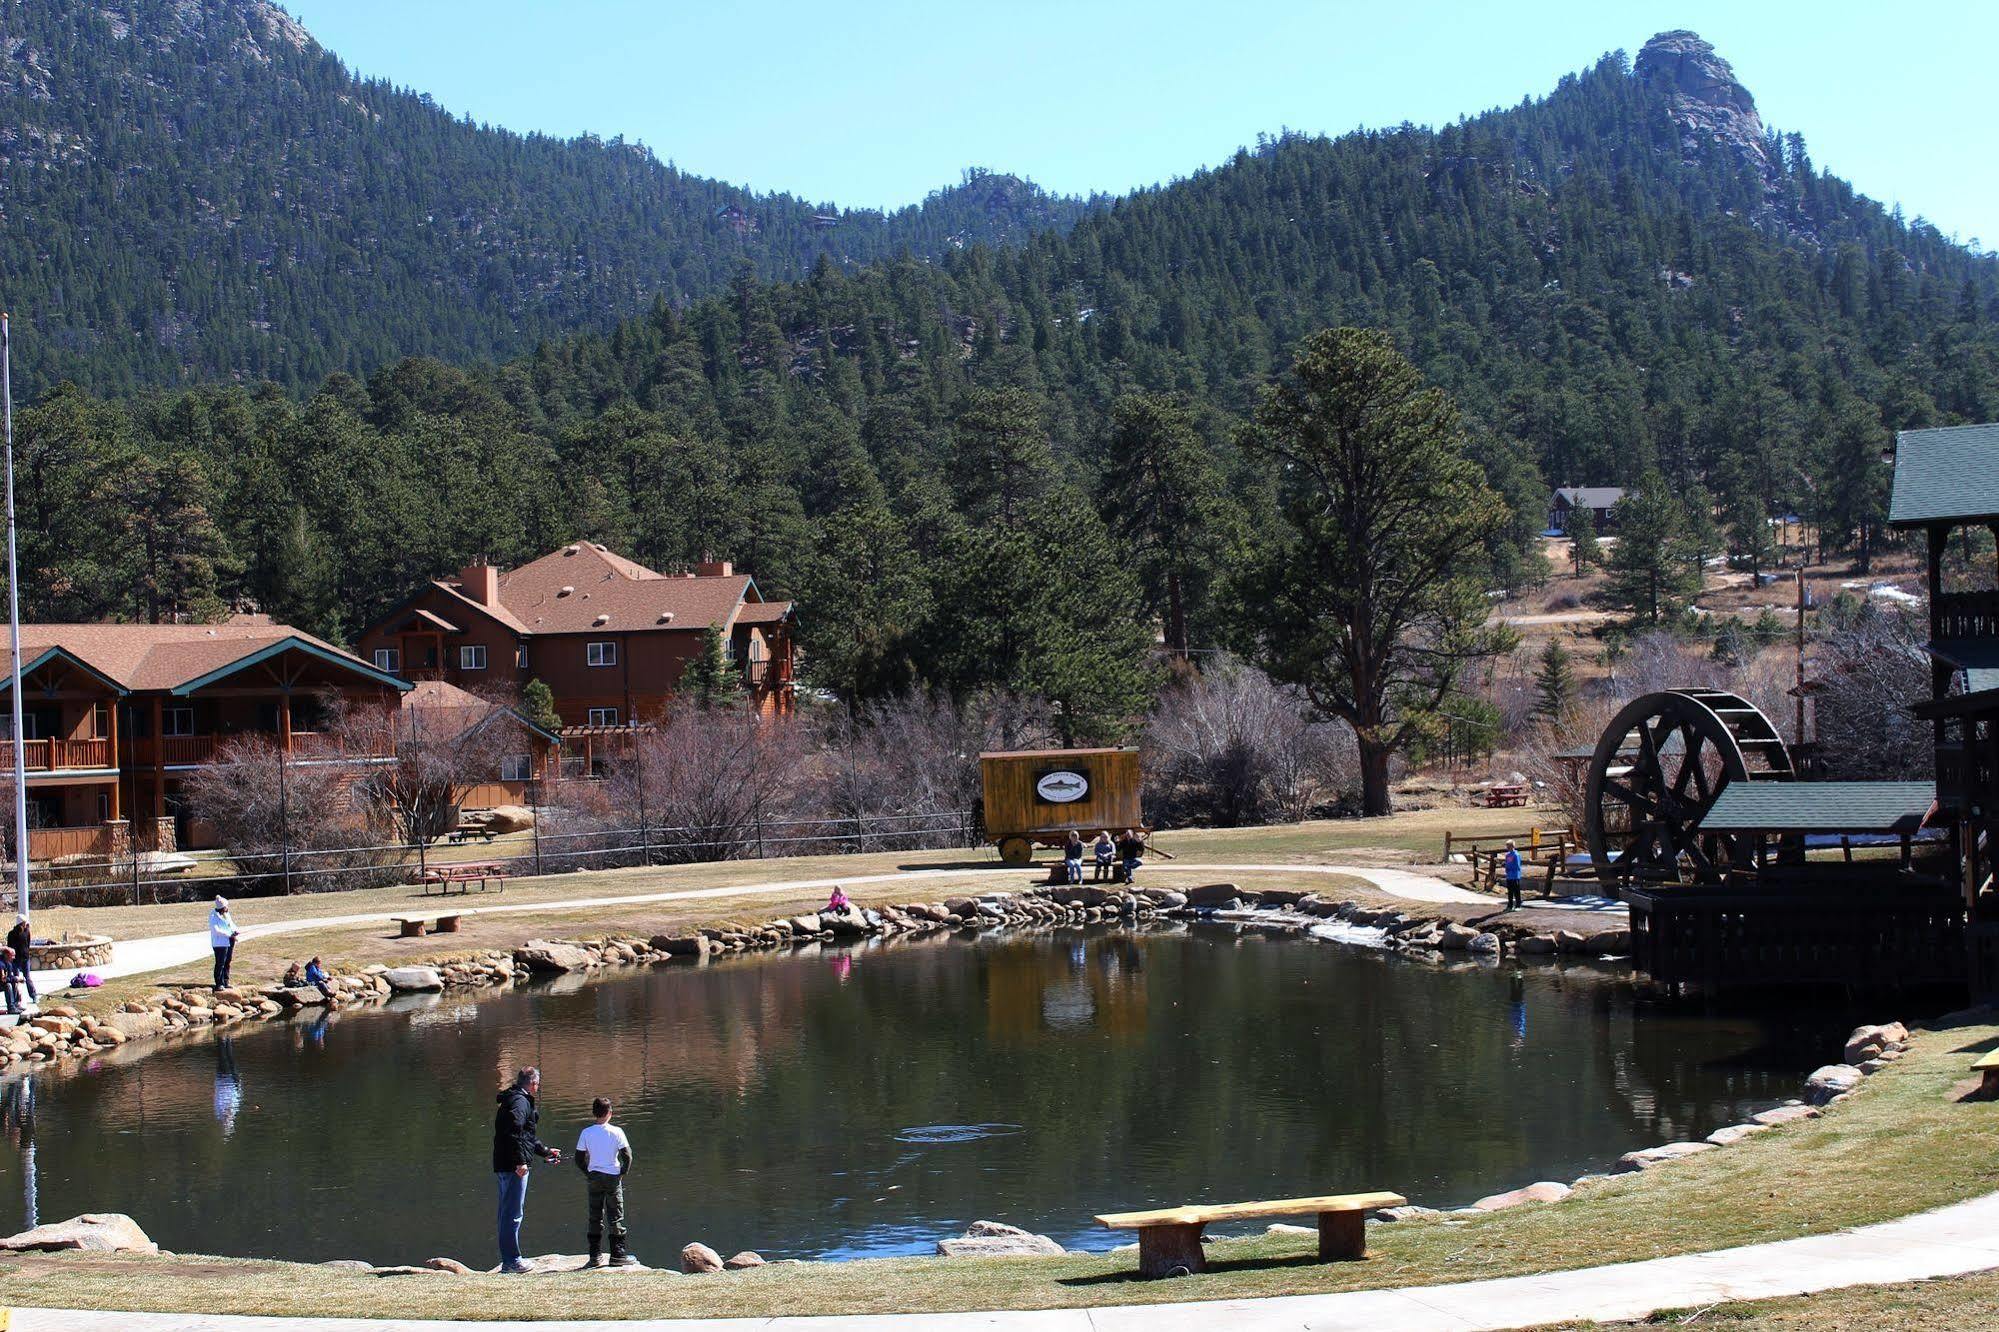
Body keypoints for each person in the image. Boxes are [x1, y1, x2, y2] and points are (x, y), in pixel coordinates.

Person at [492, 1066, 561, 1274]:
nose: (538, 1088)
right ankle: (512, 1261)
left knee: (507, 1213)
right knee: (512, 1214)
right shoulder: (520, 1102)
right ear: (532, 1083)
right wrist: (520, 1162)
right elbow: (515, 1133)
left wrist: (545, 1151)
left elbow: (527, 1136)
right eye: (538, 1084)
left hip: (505, 1164)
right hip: (513, 1167)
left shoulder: (513, 1099)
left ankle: (510, 1259)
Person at [574, 1096, 637, 1268]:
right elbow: (628, 1156)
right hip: (612, 1178)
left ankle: (595, 1256)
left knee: (595, 1216)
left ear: (594, 1113)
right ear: (610, 1113)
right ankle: (618, 1255)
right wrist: (623, 1172)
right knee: (615, 1216)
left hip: (594, 1177)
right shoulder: (617, 1132)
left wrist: (588, 1172)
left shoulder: (586, 1133)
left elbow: (578, 1158)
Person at [208, 897, 240, 989]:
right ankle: (219, 983)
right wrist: (229, 934)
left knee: (227, 961)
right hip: (220, 943)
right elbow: (216, 930)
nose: (227, 908)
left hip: (230, 940)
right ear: (222, 907)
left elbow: (231, 924)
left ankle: (226, 981)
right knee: (220, 963)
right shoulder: (213, 915)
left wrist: (235, 931)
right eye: (226, 906)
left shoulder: (227, 914)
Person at [5, 914, 34, 1005]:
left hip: (25, 959)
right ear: (20, 923)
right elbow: (10, 947)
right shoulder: (11, 934)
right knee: (15, 980)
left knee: (28, 978)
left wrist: (26, 953)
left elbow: (28, 944)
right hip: (15, 961)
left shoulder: (27, 932)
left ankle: (33, 995)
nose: (26, 924)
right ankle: (16, 1000)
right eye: (24, 923)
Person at [1503, 840, 1524, 911]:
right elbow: (1507, 863)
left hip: (1515, 876)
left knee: (1516, 891)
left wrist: (1509, 867)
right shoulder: (1507, 855)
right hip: (1509, 876)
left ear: (1512, 846)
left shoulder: (1516, 855)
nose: (1507, 847)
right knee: (1510, 892)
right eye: (1507, 846)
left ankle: (1518, 905)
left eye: (1509, 846)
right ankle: (1510, 906)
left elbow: (1517, 866)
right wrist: (1505, 866)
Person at [0, 943, 20, 1018]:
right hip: (1, 982)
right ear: (6, 955)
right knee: (8, 985)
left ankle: (15, 1005)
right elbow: (3, 979)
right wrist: (14, 979)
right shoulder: (1, 964)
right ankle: (11, 1007)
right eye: (12, 955)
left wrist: (16, 979)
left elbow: (9, 976)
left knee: (14, 982)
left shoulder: (8, 963)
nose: (14, 957)